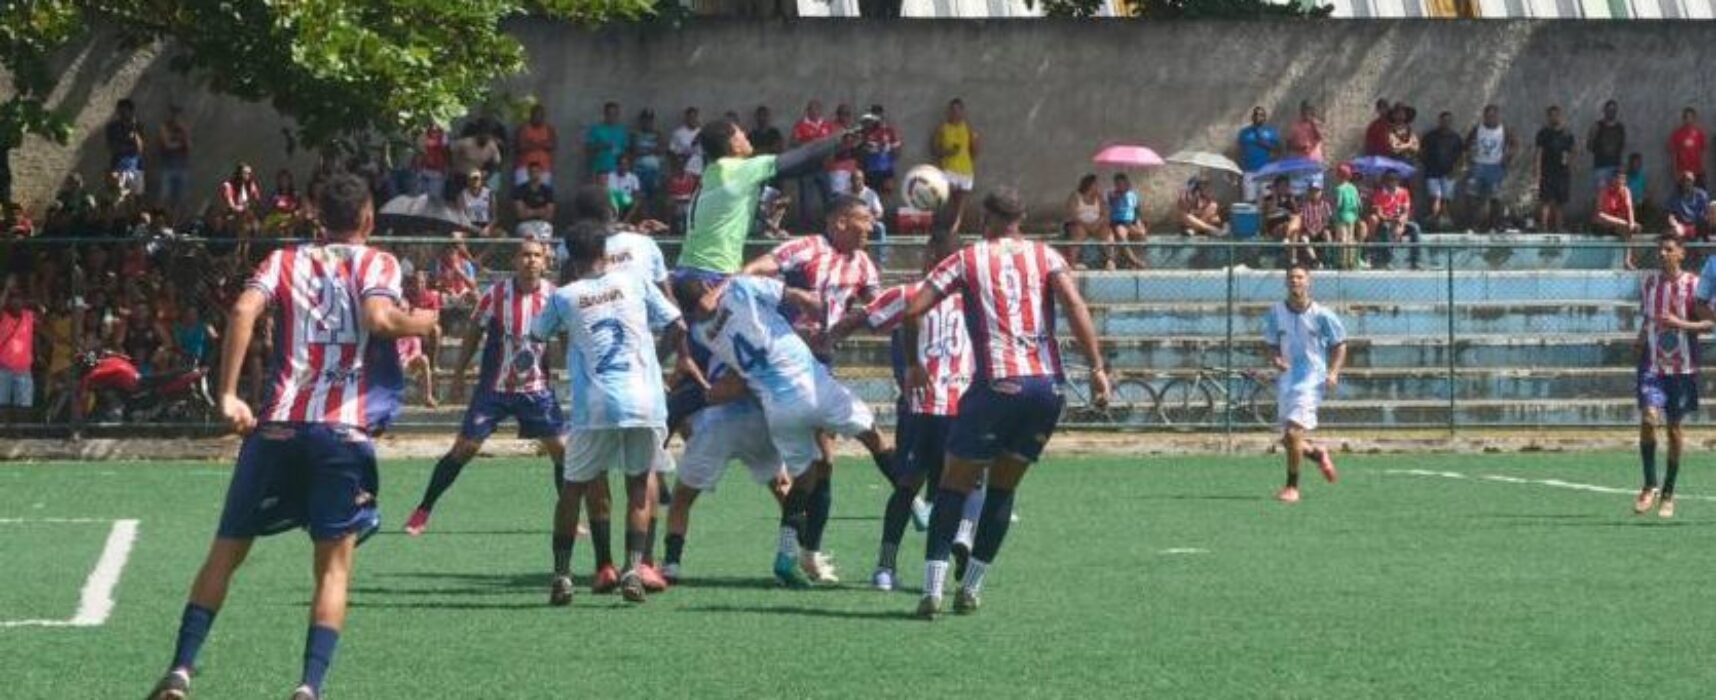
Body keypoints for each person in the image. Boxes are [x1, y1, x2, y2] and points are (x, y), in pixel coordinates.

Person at [144, 174, 436, 700]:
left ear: (317, 216)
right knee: (332, 567)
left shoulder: (283, 260)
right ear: (368, 219)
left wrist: (229, 394)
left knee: (225, 553)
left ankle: (182, 670)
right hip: (341, 433)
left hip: (276, 426)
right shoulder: (378, 262)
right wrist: (424, 321)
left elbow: (241, 311)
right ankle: (307, 687)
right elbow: (379, 317)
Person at [904, 189, 1109, 618]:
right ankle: (972, 588)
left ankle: (933, 589)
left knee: (953, 485)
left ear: (987, 217)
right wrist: (1096, 368)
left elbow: (913, 309)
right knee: (1003, 487)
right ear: (1023, 217)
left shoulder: (968, 258)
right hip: (1047, 388)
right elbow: (1073, 303)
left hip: (999, 384)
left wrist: (913, 364)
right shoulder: (1048, 256)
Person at [672, 271, 895, 589]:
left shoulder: (700, 332)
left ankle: (786, 558)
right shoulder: (741, 286)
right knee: (875, 438)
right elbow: (800, 298)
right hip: (812, 386)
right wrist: (824, 313)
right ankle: (912, 500)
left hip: (778, 407)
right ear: (708, 286)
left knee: (802, 481)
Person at [534, 222, 687, 605]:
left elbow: (537, 335)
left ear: (570, 257)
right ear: (604, 251)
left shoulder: (564, 295)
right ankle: (633, 569)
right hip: (645, 400)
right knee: (638, 485)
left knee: (573, 488)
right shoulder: (633, 283)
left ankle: (563, 575)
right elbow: (677, 323)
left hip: (597, 404)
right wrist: (663, 363)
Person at [739, 194, 882, 582]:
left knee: (819, 467)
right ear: (839, 222)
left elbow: (875, 309)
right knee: (821, 464)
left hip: (820, 365)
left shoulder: (863, 263)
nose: (871, 227)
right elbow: (755, 269)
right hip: (789, 367)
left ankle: (799, 554)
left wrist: (858, 320)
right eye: (864, 219)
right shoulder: (806, 248)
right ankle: (805, 555)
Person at [825, 230, 972, 592]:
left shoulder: (909, 294)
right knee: (955, 489)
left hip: (920, 409)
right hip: (962, 407)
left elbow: (862, 317)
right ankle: (954, 553)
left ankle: (885, 567)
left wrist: (826, 340)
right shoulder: (975, 300)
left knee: (906, 486)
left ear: (930, 257)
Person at [675, 117, 855, 278]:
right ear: (734, 145)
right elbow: (803, 156)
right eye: (740, 133)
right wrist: (841, 138)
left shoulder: (712, 172)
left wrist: (838, 151)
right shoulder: (743, 170)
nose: (746, 134)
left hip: (685, 268)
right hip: (714, 272)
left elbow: (802, 167)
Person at [1638, 235, 1709, 519]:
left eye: (1669, 249)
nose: (1662, 253)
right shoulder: (1649, 284)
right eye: (1660, 249)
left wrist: (1680, 323)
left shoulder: (1694, 286)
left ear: (1681, 253)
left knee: (1674, 430)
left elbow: (1709, 322)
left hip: (1682, 369)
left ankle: (1668, 491)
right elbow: (1648, 318)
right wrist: (1641, 338)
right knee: (1647, 419)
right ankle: (1649, 485)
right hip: (1652, 366)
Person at [1265, 265, 1346, 505]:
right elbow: (1270, 342)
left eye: (1300, 277)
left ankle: (1292, 487)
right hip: (1287, 379)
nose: (1295, 281)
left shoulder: (1322, 314)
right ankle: (1317, 453)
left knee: (1292, 433)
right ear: (1285, 282)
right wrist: (1275, 358)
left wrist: (1333, 372)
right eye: (1291, 277)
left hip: (1312, 379)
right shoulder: (1276, 312)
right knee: (1290, 440)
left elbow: (1340, 344)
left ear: (1308, 282)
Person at [1463, 104, 1517, 233]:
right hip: (1478, 165)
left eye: (1493, 116)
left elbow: (1514, 144)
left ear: (1498, 116)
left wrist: (1507, 158)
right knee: (1472, 196)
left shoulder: (1504, 129)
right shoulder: (1478, 129)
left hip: (1495, 167)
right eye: (1488, 116)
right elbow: (1466, 145)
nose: (1491, 118)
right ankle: (1472, 226)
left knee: (1495, 198)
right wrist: (1469, 158)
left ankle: (1494, 226)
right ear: (1484, 116)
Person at [932, 98, 980, 235]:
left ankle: (955, 229)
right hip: (948, 169)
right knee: (945, 199)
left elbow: (974, 149)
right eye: (952, 110)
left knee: (960, 203)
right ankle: (941, 227)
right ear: (949, 111)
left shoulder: (968, 128)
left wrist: (968, 156)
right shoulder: (942, 128)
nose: (955, 113)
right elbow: (935, 149)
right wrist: (947, 152)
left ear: (962, 112)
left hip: (965, 169)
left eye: (958, 110)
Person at [1533, 105, 1576, 233]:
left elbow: (1573, 151)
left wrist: (1569, 161)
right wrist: (1537, 171)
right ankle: (1544, 228)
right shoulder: (1543, 133)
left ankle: (1559, 228)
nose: (1554, 118)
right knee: (1545, 201)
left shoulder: (1567, 134)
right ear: (1548, 117)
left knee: (1560, 203)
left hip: (1562, 173)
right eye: (1551, 115)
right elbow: (1538, 153)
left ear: (1560, 116)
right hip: (1547, 172)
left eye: (1556, 115)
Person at [1420, 112, 1465, 230]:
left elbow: (1461, 156)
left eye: (1448, 121)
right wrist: (1426, 163)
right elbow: (1421, 151)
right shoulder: (1430, 136)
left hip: (1449, 173)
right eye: (1443, 120)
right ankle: (1434, 220)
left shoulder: (1456, 138)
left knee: (1446, 199)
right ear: (1439, 121)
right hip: (1432, 172)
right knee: (1435, 197)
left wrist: (1456, 170)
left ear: (1451, 122)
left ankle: (1444, 221)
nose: (1445, 123)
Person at [791, 101, 833, 227]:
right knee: (806, 198)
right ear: (807, 111)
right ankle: (806, 226)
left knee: (827, 195)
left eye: (817, 110)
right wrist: (811, 144)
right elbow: (793, 143)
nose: (815, 112)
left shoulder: (826, 125)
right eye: (812, 110)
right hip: (806, 166)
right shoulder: (800, 125)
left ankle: (829, 222)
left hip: (823, 166)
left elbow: (833, 143)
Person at [1369, 171, 1422, 270]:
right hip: (1386, 221)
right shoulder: (1379, 193)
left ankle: (1415, 261)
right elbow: (1379, 213)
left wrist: (1401, 223)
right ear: (1385, 182)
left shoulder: (1404, 192)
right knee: (1386, 227)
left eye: (1394, 181)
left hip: (1399, 221)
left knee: (1415, 227)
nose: (1392, 184)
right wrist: (1391, 220)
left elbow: (1406, 211)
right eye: (1389, 181)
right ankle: (1387, 260)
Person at [0, 279, 34, 424]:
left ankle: (20, 432)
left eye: (18, 298)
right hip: (3, 368)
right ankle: (4, 432)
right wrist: (6, 289)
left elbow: (46, 328)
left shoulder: (29, 316)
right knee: (2, 402)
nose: (15, 301)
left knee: (24, 404)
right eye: (12, 298)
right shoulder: (3, 317)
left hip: (24, 368)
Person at [1593, 169, 1642, 269]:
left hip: (1619, 224)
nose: (1621, 181)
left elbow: (1629, 208)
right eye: (1619, 178)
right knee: (1602, 217)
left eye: (1623, 179)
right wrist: (1625, 222)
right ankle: (1624, 224)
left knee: (1627, 230)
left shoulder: (1626, 190)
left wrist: (1632, 223)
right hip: (1603, 222)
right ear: (1613, 179)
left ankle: (1627, 261)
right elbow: (1599, 213)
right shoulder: (1604, 191)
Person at [1238, 106, 1281, 202]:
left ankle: (1265, 217)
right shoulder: (1244, 133)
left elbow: (1279, 149)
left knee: (1267, 199)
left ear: (1265, 118)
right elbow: (1240, 152)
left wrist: (1264, 143)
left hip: (1265, 171)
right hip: (1249, 171)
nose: (1258, 117)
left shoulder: (1270, 132)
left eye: (1261, 115)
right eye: (1256, 114)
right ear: (1252, 117)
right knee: (1249, 201)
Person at [1261, 175, 1305, 266]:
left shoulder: (1291, 198)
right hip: (1275, 227)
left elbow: (1297, 213)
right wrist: (1275, 197)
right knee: (1292, 230)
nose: (1284, 188)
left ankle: (1292, 258)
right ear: (1276, 187)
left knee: (1295, 227)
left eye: (1286, 185)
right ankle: (1293, 259)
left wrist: (1292, 201)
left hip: (1289, 227)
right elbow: (1270, 212)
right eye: (1281, 186)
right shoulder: (1268, 198)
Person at [1064, 174, 1108, 267]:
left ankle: (1110, 260)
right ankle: (1072, 262)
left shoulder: (1099, 198)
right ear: (1089, 185)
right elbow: (1072, 214)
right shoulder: (1075, 196)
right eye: (1096, 184)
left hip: (1095, 225)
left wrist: (1097, 223)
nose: (1098, 187)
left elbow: (1104, 214)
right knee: (1079, 232)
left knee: (1107, 232)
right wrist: (1086, 225)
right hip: (1079, 224)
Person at [860, 104, 903, 197]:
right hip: (871, 169)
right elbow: (863, 149)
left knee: (887, 192)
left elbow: (897, 148)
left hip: (886, 168)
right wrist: (872, 148)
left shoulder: (889, 130)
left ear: (882, 114)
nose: (877, 117)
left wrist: (890, 151)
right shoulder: (866, 131)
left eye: (878, 114)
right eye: (874, 114)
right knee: (871, 194)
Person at [157, 106, 191, 219]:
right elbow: (167, 145)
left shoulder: (183, 128)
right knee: (165, 196)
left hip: (182, 167)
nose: (176, 117)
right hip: (167, 167)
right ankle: (165, 219)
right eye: (174, 114)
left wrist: (181, 135)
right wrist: (180, 142)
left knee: (181, 197)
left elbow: (189, 146)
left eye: (178, 115)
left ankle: (177, 222)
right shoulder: (164, 127)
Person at [107, 98, 146, 196]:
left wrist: (134, 131)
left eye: (125, 111)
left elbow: (140, 149)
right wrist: (129, 147)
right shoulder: (113, 127)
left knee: (135, 195)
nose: (122, 113)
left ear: (131, 111)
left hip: (136, 166)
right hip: (118, 166)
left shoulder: (138, 126)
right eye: (120, 111)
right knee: (118, 194)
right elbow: (114, 147)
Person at [1107, 173, 1146, 269]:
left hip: (1130, 222)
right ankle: (1133, 260)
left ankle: (1136, 259)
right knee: (1121, 235)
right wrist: (1117, 195)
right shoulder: (1112, 194)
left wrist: (1139, 223)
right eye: (1118, 184)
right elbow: (1110, 201)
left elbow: (1137, 211)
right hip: (1118, 222)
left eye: (1122, 183)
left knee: (1141, 233)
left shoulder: (1132, 195)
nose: (1120, 186)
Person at [514, 104, 557, 185]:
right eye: (535, 115)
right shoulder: (523, 128)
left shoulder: (549, 129)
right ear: (531, 115)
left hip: (544, 168)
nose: (538, 118)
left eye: (540, 115)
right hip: (524, 167)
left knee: (544, 193)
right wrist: (541, 144)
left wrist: (531, 143)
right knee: (521, 193)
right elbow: (520, 146)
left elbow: (551, 145)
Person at [1332, 164, 1365, 269]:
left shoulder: (1339, 189)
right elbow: (1359, 204)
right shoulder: (1353, 188)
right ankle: (1351, 261)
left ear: (1339, 176)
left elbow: (1338, 204)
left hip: (1341, 215)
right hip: (1352, 216)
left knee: (1343, 239)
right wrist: (1356, 214)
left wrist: (1333, 214)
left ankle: (1343, 262)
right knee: (1351, 238)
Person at [1588, 99, 1627, 187]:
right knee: (1602, 196)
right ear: (1604, 110)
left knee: (1615, 196)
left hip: (1616, 167)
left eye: (1613, 110)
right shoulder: (1597, 126)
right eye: (1609, 110)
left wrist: (1621, 166)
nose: (1611, 112)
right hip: (1601, 167)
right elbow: (1589, 146)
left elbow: (1622, 147)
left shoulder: (1620, 127)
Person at [631, 109, 664, 210]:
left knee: (654, 195)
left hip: (654, 171)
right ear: (641, 121)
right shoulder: (635, 134)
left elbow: (661, 149)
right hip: (639, 170)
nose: (647, 123)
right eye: (645, 120)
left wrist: (644, 150)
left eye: (650, 120)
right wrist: (651, 150)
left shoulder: (658, 134)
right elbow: (633, 151)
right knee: (640, 195)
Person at [513, 163, 556, 240]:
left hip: (543, 223)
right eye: (532, 172)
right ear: (528, 173)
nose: (535, 174)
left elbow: (549, 215)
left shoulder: (547, 191)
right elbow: (521, 214)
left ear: (541, 173)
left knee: (544, 236)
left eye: (537, 172)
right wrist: (541, 211)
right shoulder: (520, 190)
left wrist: (530, 212)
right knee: (531, 238)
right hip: (525, 224)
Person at [585, 101, 627, 178]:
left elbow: (625, 151)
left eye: (615, 114)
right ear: (605, 114)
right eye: (609, 114)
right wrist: (601, 146)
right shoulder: (596, 129)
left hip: (616, 171)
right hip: (599, 169)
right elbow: (588, 148)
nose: (612, 117)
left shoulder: (622, 131)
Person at [1665, 170, 1710, 240]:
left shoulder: (1701, 195)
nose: (1687, 183)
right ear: (1681, 183)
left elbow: (1706, 212)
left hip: (1698, 226)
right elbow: (1671, 215)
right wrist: (1674, 223)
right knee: (1676, 231)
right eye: (1685, 180)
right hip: (1683, 226)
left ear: (1694, 181)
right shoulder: (1675, 197)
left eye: (1690, 180)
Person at [1668, 107, 1705, 189]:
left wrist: (1702, 170)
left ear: (1694, 119)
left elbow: (1702, 154)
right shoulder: (1676, 135)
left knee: (1700, 197)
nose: (1689, 120)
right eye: (1687, 117)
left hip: (1697, 172)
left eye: (1691, 117)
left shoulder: (1699, 134)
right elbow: (1674, 155)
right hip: (1683, 173)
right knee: (1684, 198)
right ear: (1683, 119)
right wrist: (1675, 173)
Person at [457, 169, 497, 238]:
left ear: (481, 180)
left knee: (502, 235)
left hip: (485, 225)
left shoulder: (490, 194)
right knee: (456, 236)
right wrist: (474, 229)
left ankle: (489, 249)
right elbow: (461, 216)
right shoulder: (462, 195)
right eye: (472, 179)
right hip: (470, 227)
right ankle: (464, 249)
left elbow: (494, 217)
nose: (475, 181)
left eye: (477, 179)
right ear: (468, 180)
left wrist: (488, 228)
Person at [416, 124, 451, 201]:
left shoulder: (443, 137)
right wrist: (418, 170)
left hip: (437, 172)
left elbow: (446, 153)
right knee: (421, 199)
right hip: (423, 171)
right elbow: (420, 153)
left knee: (434, 199)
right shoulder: (423, 136)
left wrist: (447, 168)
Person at [607, 153, 644, 222]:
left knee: (636, 202)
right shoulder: (609, 176)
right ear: (617, 165)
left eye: (626, 164)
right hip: (612, 202)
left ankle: (624, 222)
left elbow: (636, 194)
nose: (623, 167)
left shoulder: (633, 178)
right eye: (621, 164)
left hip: (626, 203)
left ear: (629, 166)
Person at [669, 106, 704, 176]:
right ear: (686, 118)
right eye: (690, 117)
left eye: (695, 117)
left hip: (699, 167)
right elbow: (671, 150)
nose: (692, 119)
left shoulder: (702, 133)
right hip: (683, 167)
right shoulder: (678, 133)